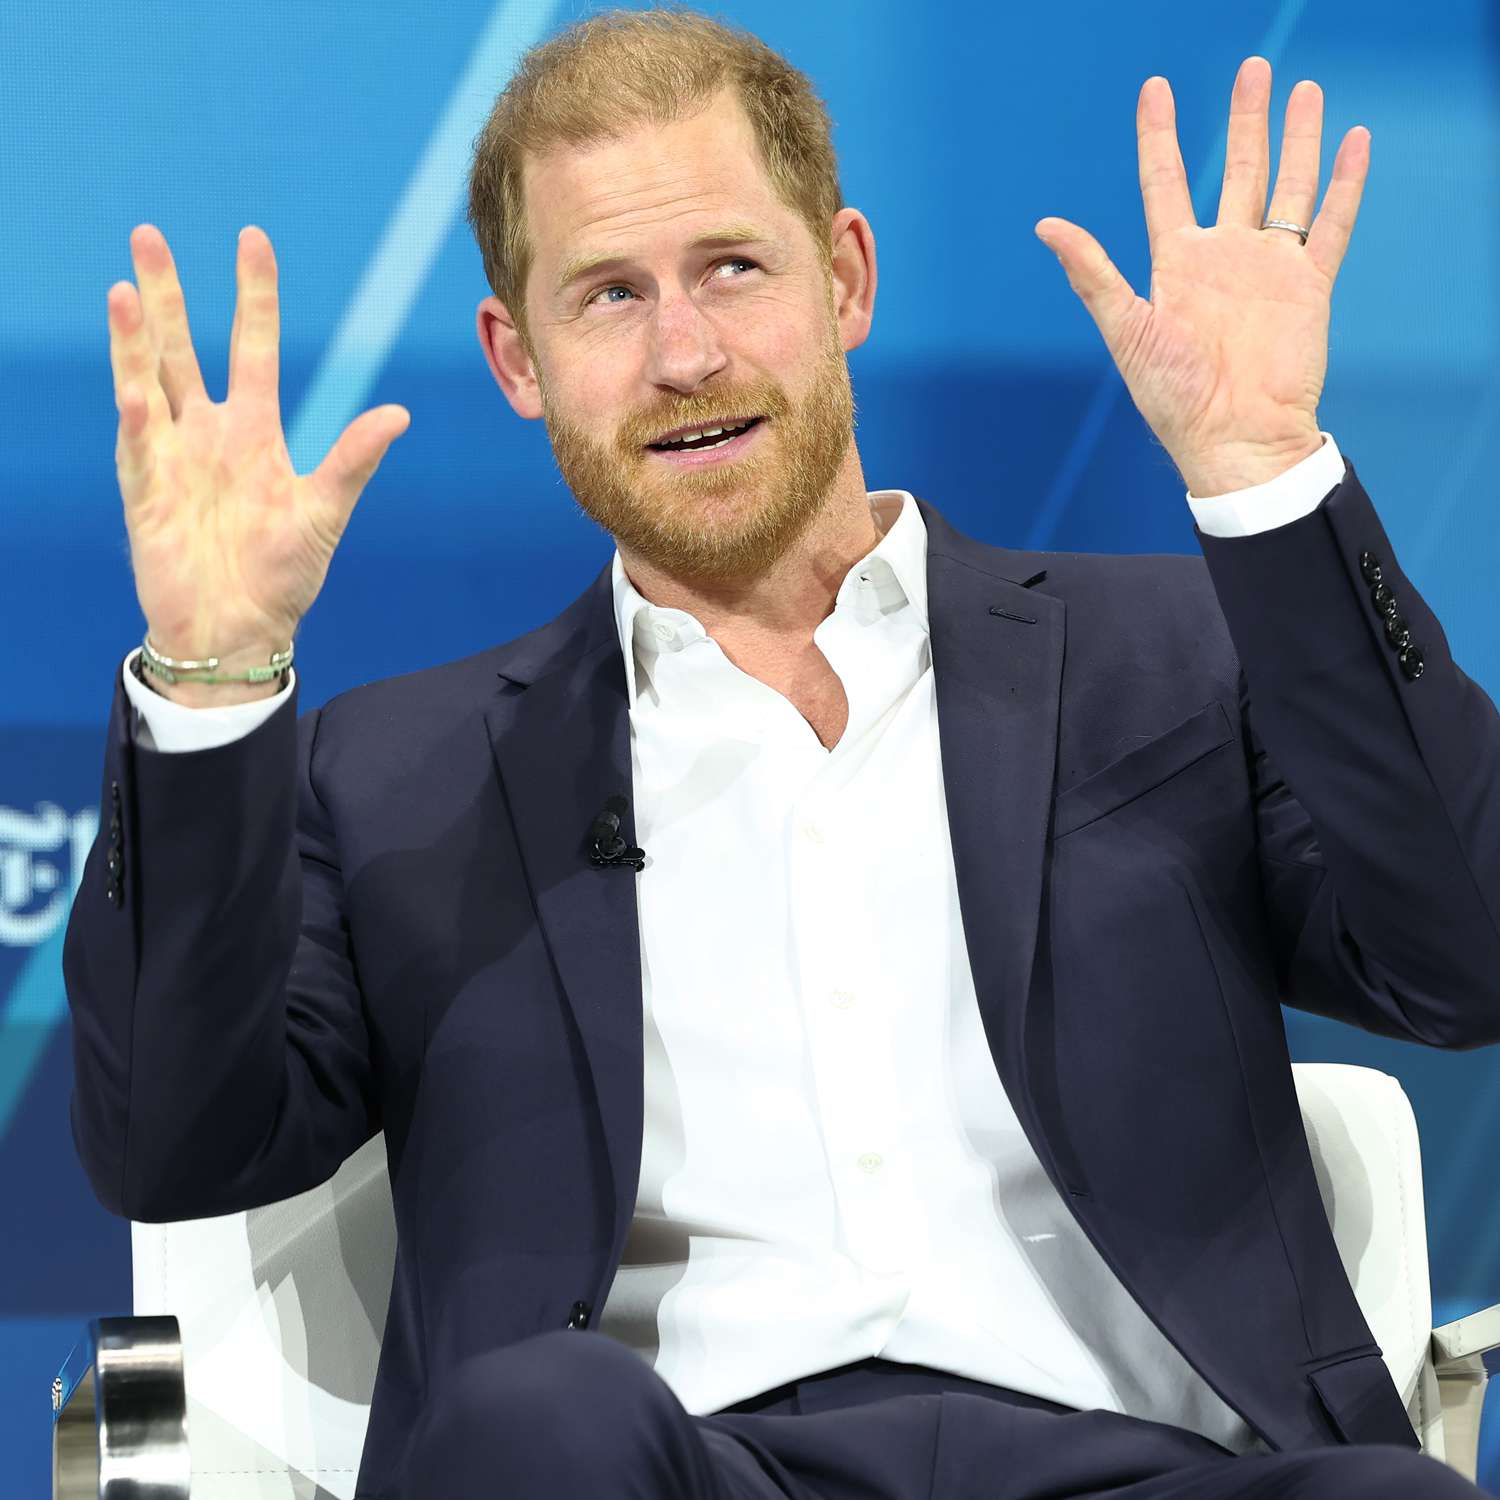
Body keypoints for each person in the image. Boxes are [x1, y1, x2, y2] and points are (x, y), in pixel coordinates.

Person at [64, 9, 1500, 1498]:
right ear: (519, 359)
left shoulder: (1174, 655)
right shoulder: (396, 777)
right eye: (607, 296)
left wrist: (1268, 484)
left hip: (1152, 1466)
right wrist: (216, 679)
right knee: (534, 1427)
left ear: (849, 279)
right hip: (671, 1469)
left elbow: (1468, 958)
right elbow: (179, 1149)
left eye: (732, 269)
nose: (684, 354)